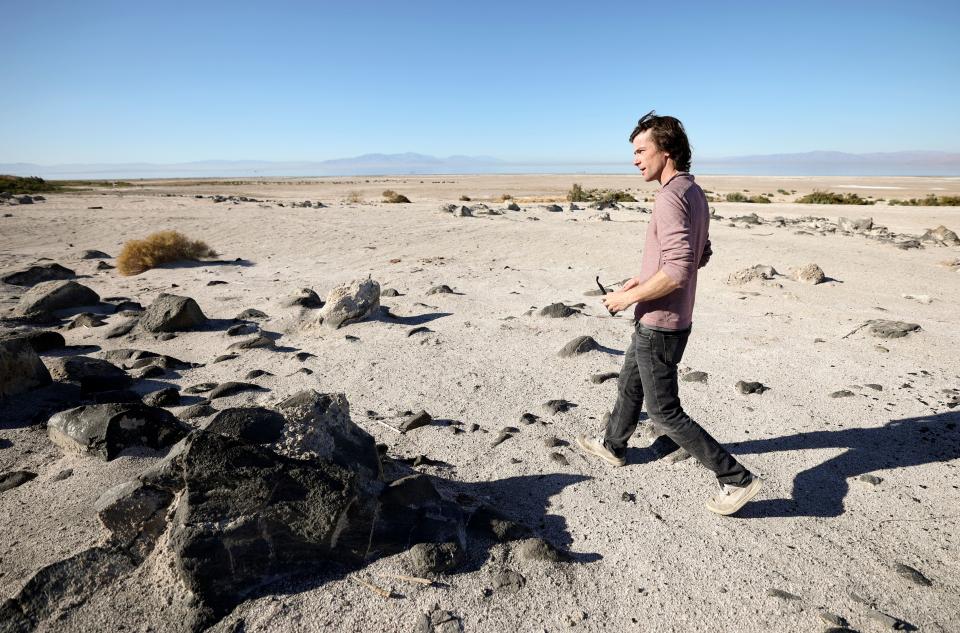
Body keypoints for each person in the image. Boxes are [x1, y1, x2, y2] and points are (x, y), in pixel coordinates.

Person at [575, 111, 763, 516]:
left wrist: (627, 300)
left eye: (642, 150)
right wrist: (637, 283)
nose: (635, 159)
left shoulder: (669, 197)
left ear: (668, 151)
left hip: (660, 323)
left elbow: (678, 270)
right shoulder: (693, 192)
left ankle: (736, 478)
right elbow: (700, 254)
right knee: (629, 382)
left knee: (664, 412)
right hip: (663, 317)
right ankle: (613, 445)